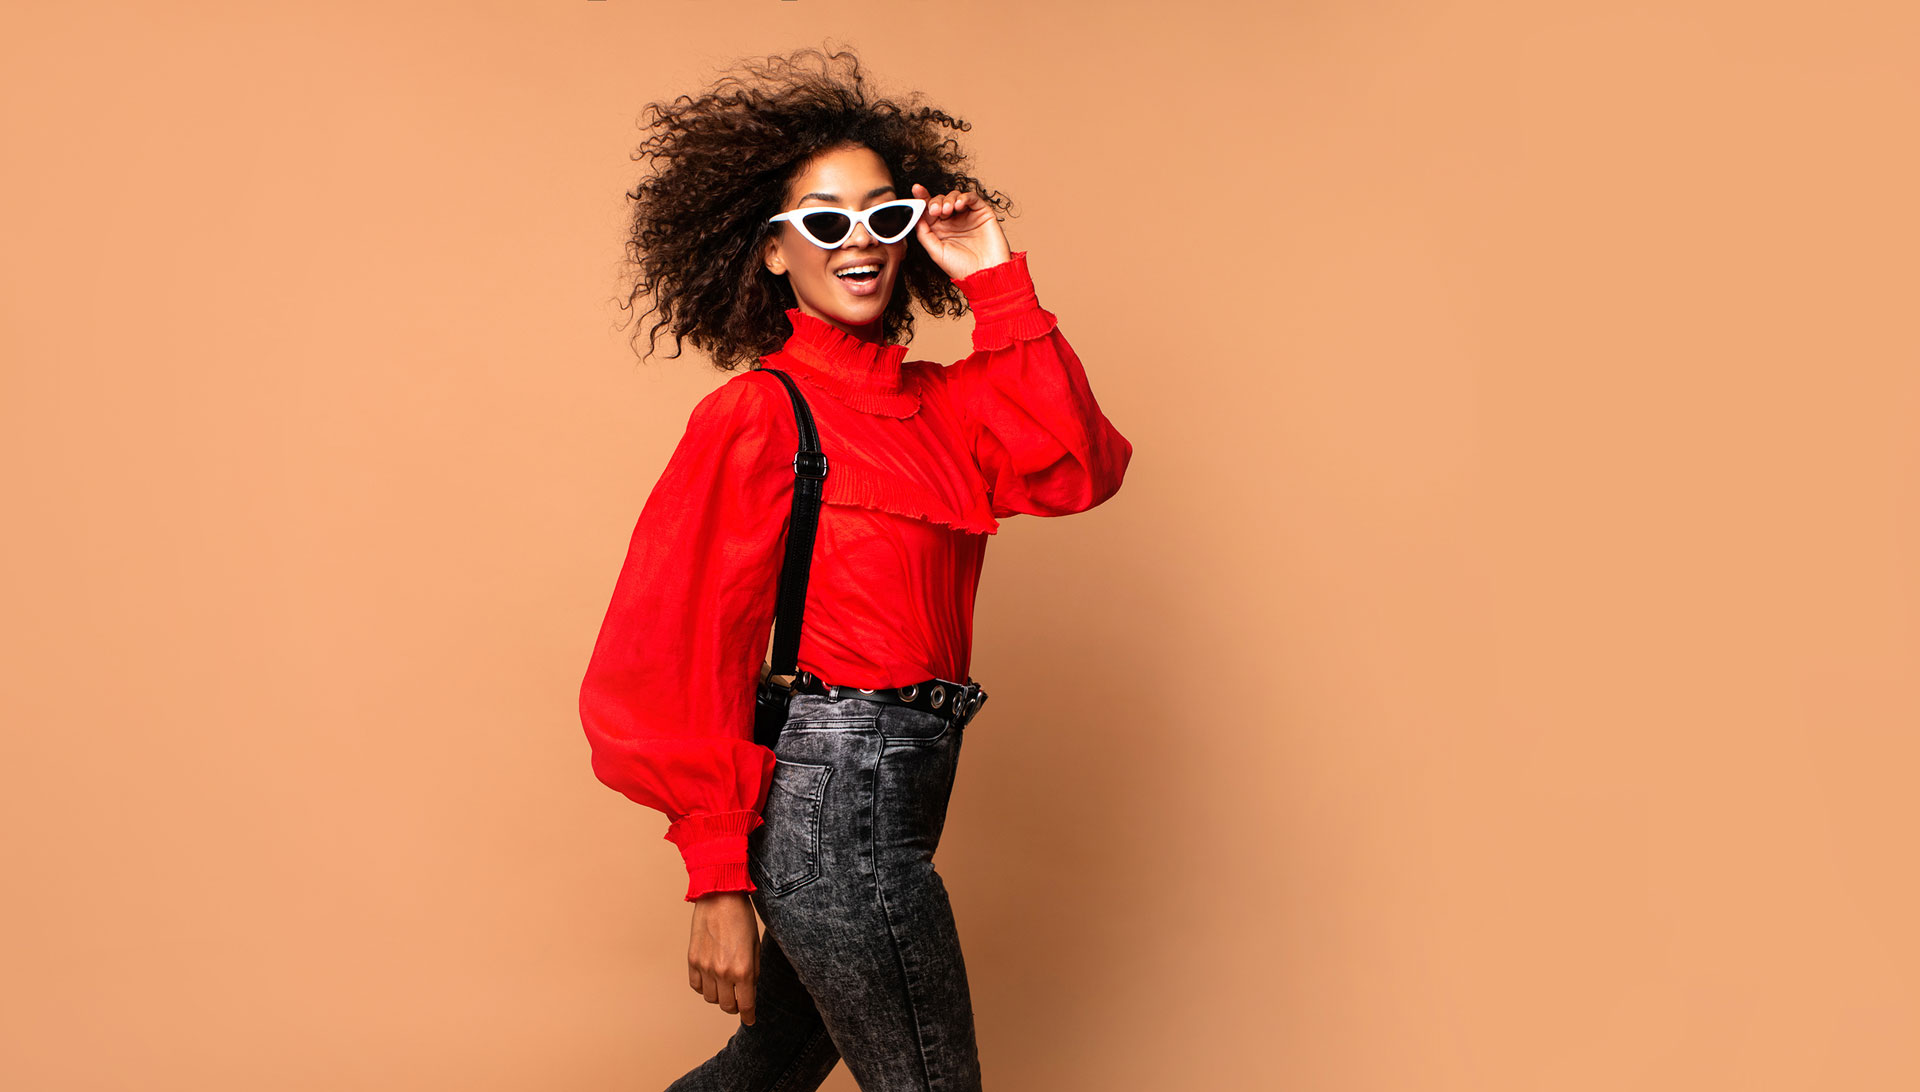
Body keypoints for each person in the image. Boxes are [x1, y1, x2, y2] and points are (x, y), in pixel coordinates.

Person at [577, 46, 1133, 1091]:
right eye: (825, 222)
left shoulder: (944, 405)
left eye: (883, 216)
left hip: (904, 786)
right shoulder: (758, 414)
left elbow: (1079, 468)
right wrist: (716, 880)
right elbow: (678, 647)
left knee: (768, 1067)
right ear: (774, 253)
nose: (861, 243)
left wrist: (993, 274)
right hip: (835, 801)